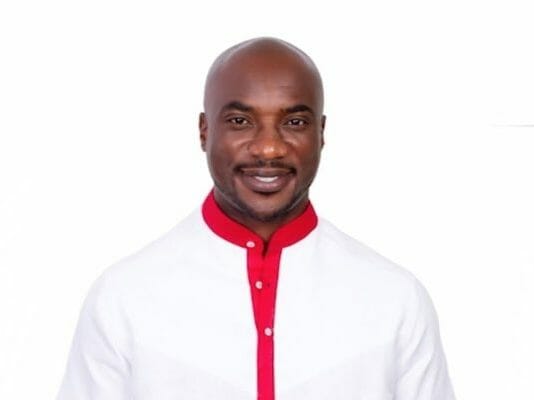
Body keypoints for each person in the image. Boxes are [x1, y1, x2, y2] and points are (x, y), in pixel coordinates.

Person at [57, 37, 456, 400]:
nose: (268, 148)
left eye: (294, 123)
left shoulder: (395, 300)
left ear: (321, 133)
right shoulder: (123, 298)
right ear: (204, 131)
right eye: (240, 121)